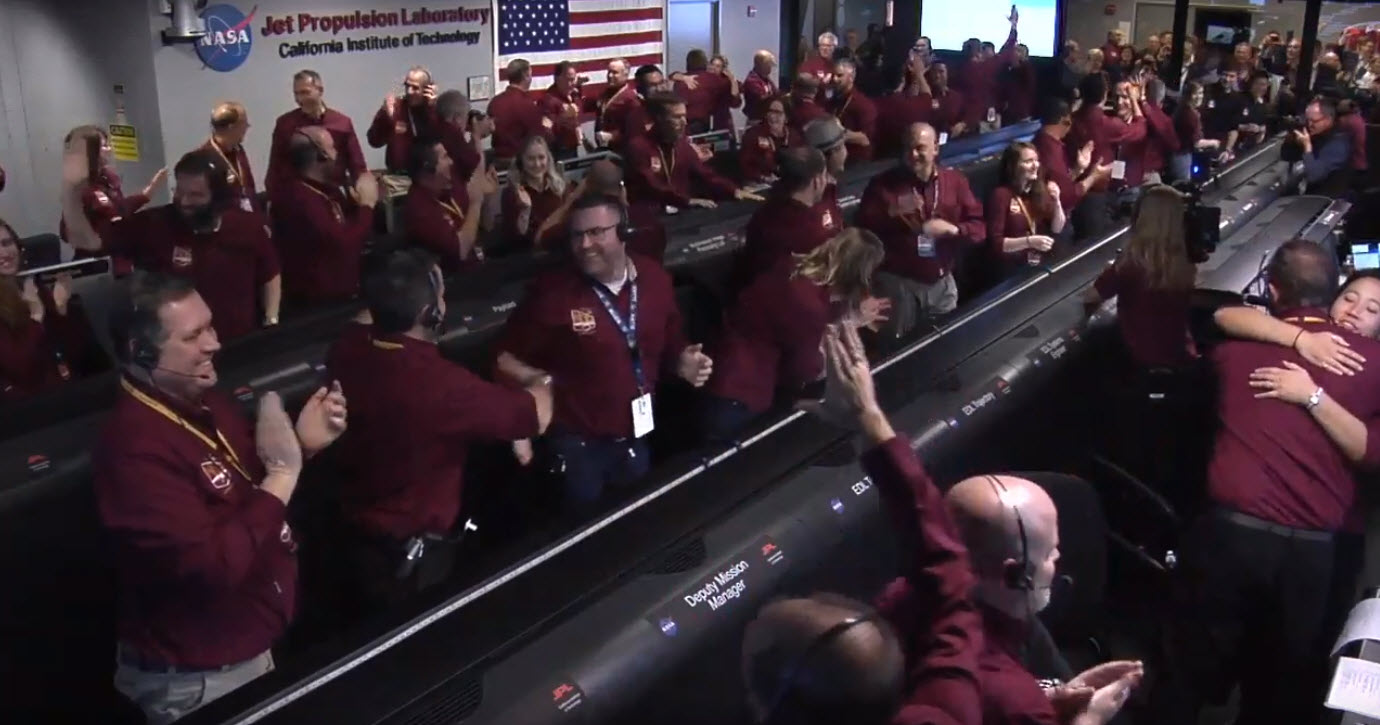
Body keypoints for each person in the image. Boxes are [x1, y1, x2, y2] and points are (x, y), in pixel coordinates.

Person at [94, 272, 346, 724]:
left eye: (210, 326)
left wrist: (301, 448)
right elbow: (210, 568)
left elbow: (249, 495)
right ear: (142, 352)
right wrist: (285, 472)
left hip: (247, 652)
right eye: (193, 336)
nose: (214, 344)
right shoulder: (133, 451)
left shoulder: (206, 399)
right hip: (200, 682)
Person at [1149, 239, 1380, 725]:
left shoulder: (1234, 351)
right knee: (1279, 691)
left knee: (1183, 676)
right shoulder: (1372, 367)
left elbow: (1211, 316)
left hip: (1226, 539)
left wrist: (1312, 394)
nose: (1357, 312)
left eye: (1372, 309)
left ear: (1272, 291)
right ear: (1332, 294)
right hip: (1314, 555)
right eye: (1351, 299)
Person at [766, 323, 985, 725]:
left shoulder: (950, 706)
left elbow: (949, 576)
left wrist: (867, 417)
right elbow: (951, 580)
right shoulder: (946, 711)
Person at [326, 248, 551, 615]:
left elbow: (363, 318)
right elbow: (535, 416)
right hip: (411, 559)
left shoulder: (348, 348)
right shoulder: (441, 386)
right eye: (440, 296)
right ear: (429, 313)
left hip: (357, 537)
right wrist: (537, 379)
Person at [494, 193, 713, 519]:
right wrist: (534, 385)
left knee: (637, 520)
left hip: (636, 434)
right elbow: (503, 358)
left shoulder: (654, 279)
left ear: (623, 233)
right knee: (587, 530)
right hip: (580, 447)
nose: (585, 245)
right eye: (577, 235)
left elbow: (669, 338)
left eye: (596, 232)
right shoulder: (553, 296)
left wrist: (681, 359)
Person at [944, 472, 1145, 725]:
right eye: (1049, 552)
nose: (1058, 556)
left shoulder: (919, 599)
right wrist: (1090, 719)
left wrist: (1065, 689)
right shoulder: (1014, 700)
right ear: (1015, 574)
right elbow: (1012, 704)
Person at [67, 150, 282, 341]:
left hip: (240, 346)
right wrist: (71, 196)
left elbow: (270, 274)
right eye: (179, 191)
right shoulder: (153, 225)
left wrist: (271, 321)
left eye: (195, 195)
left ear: (218, 198)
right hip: (179, 357)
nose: (184, 201)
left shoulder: (247, 225)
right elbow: (90, 241)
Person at [704, 228, 887, 441]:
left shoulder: (794, 267)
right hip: (738, 395)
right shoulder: (806, 303)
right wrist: (848, 330)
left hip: (721, 370)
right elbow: (806, 370)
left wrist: (849, 319)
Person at [857, 122, 985, 329]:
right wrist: (890, 215)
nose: (913, 154)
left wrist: (954, 230)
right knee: (902, 345)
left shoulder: (955, 181)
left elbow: (979, 227)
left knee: (946, 341)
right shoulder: (882, 187)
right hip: (899, 285)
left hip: (942, 283)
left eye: (919, 148)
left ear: (935, 148)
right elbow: (862, 236)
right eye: (908, 148)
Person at [623, 94, 762, 260]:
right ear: (660, 119)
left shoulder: (681, 145)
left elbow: (705, 174)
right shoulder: (638, 146)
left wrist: (733, 190)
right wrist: (686, 200)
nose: (684, 122)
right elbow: (651, 184)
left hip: (680, 218)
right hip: (650, 220)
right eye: (677, 117)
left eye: (684, 116)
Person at [1082, 185, 1197, 370]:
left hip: (1141, 361)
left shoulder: (1131, 262)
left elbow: (1092, 296)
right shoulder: (1185, 262)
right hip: (1178, 356)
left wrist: (1109, 272)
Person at [271, 126, 379, 306]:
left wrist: (357, 204)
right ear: (322, 155)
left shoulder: (326, 189)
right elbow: (343, 245)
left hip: (345, 289)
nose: (337, 154)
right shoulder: (299, 199)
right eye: (332, 148)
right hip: (320, 304)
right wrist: (367, 206)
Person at [0, 218, 99, 401]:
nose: (4, 253)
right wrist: (36, 318)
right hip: (28, 404)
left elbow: (77, 353)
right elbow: (21, 369)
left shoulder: (32, 285)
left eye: (7, 243)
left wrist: (61, 310)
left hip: (67, 387)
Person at [60, 125, 165, 276]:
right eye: (104, 146)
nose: (109, 149)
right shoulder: (79, 188)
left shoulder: (108, 179)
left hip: (119, 260)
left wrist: (147, 193)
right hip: (96, 265)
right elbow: (67, 232)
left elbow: (119, 209)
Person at [265, 70, 368, 197]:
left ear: (320, 90)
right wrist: (273, 198)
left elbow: (357, 166)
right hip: (298, 199)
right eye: (296, 94)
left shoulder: (342, 123)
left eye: (305, 93)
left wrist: (363, 194)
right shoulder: (285, 124)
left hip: (334, 196)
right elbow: (275, 168)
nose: (299, 99)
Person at [1066, 73, 1144, 240]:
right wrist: (1136, 103)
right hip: (1095, 195)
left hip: (1079, 191)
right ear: (1105, 95)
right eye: (1116, 96)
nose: (1120, 101)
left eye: (1125, 97)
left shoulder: (1072, 119)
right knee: (1092, 244)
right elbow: (1140, 130)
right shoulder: (1107, 123)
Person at [402, 140, 493, 273]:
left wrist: (487, 196)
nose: (451, 162)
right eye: (445, 157)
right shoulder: (420, 209)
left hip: (478, 261)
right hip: (456, 277)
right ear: (428, 168)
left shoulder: (446, 189)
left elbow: (483, 225)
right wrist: (475, 203)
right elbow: (461, 250)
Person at [986, 142, 1066, 278]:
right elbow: (996, 243)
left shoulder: (1039, 190)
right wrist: (1029, 241)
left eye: (1036, 160)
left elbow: (1057, 229)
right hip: (1011, 268)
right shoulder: (1001, 195)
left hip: (1039, 263)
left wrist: (1057, 201)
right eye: (1028, 161)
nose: (1035, 165)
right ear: (1013, 166)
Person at [1033, 99, 1103, 220]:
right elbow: (1066, 197)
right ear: (1064, 120)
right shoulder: (1050, 152)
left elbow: (1062, 182)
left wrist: (1078, 169)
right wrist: (1094, 176)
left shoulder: (1047, 142)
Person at [500, 136, 571, 252]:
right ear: (521, 161)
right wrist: (525, 211)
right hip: (529, 255)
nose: (537, 164)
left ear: (548, 159)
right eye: (531, 159)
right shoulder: (511, 194)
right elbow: (514, 239)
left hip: (562, 249)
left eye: (541, 157)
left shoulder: (561, 187)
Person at [955, 8, 1019, 132]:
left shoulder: (959, 70)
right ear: (979, 52)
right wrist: (1014, 26)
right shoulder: (985, 68)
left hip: (963, 120)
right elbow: (1006, 51)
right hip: (980, 121)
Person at [367, 66, 438, 173]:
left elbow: (442, 140)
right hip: (399, 176)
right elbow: (374, 141)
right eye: (407, 86)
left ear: (427, 89)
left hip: (429, 175)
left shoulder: (436, 110)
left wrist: (432, 108)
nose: (409, 91)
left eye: (415, 88)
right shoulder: (396, 107)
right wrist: (386, 117)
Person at [487, 59, 553, 164]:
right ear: (525, 76)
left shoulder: (495, 102)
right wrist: (546, 128)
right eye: (530, 75)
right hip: (521, 164)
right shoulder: (528, 105)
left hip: (497, 162)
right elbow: (537, 139)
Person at [201, 101, 258, 213]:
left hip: (249, 216)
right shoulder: (203, 158)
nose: (247, 128)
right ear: (232, 127)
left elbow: (249, 186)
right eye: (244, 124)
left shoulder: (239, 150)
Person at [1290, 96, 1354, 197]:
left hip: (1325, 198)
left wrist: (1307, 147)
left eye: (1314, 121)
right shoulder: (1316, 134)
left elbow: (1314, 175)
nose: (1309, 125)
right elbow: (1286, 155)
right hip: (1307, 193)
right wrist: (1291, 140)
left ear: (1328, 120)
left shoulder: (1338, 144)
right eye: (1307, 120)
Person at [738, 97, 803, 183]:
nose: (772, 116)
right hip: (760, 183)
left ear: (786, 118)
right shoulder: (753, 134)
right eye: (770, 111)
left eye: (777, 112)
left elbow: (800, 162)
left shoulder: (794, 136)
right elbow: (745, 165)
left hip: (789, 182)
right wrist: (763, 178)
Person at [433, 89, 487, 187]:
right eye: (466, 116)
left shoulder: (435, 128)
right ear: (457, 119)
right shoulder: (451, 134)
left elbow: (463, 154)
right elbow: (474, 168)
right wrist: (477, 135)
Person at [1170, 81, 1222, 182]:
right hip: (1181, 156)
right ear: (1188, 95)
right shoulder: (1189, 114)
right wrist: (1214, 142)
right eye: (1195, 93)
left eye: (1201, 93)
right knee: (1183, 184)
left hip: (1182, 154)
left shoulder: (1186, 111)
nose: (1199, 96)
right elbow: (1196, 143)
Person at [829, 58, 878, 164]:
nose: (834, 79)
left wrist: (840, 133)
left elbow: (866, 139)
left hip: (856, 162)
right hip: (836, 158)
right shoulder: (834, 100)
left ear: (851, 77)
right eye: (833, 75)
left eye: (839, 75)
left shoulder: (862, 104)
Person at [539, 61, 586, 158]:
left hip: (573, 148)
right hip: (559, 152)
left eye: (572, 80)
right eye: (566, 80)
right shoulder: (549, 101)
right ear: (556, 79)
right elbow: (547, 133)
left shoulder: (573, 94)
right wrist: (564, 118)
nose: (570, 84)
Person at [1000, 44, 1039, 123]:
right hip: (1006, 108)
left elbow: (1029, 87)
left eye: (1018, 51)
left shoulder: (1026, 68)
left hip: (1021, 110)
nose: (1014, 52)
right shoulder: (1006, 67)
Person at [743, 51, 780, 122]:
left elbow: (776, 93)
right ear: (762, 64)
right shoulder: (752, 80)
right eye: (769, 64)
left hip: (767, 120)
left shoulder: (766, 79)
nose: (770, 68)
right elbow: (762, 99)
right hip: (756, 121)